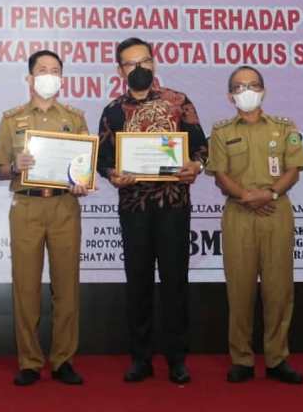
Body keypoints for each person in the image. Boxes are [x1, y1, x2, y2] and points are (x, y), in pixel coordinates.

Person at [96, 37, 207, 384]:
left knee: (175, 283)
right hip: (134, 208)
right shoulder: (112, 111)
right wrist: (112, 174)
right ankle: (141, 358)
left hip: (174, 206)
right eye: (131, 63)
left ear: (154, 63)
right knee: (138, 283)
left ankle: (177, 359)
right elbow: (102, 159)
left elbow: (201, 147)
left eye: (144, 61)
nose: (139, 68)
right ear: (120, 71)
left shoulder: (178, 102)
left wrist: (196, 166)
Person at [0, 50, 90, 386]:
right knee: (26, 288)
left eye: (55, 70)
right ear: (30, 78)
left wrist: (81, 182)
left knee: (66, 288)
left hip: (64, 206)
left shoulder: (75, 118)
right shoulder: (12, 119)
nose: (49, 75)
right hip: (27, 207)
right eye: (43, 70)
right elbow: (0, 169)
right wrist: (13, 166)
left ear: (62, 78)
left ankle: (63, 360)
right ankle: (30, 362)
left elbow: (83, 168)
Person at [205, 65, 303, 385]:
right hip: (239, 214)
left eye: (253, 85)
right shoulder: (221, 131)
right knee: (240, 291)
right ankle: (242, 359)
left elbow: (294, 169)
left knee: (279, 290)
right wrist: (246, 196)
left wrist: (270, 193)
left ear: (263, 91)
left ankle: (277, 359)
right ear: (230, 96)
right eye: (239, 87)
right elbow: (220, 174)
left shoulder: (284, 127)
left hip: (276, 211)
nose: (246, 91)